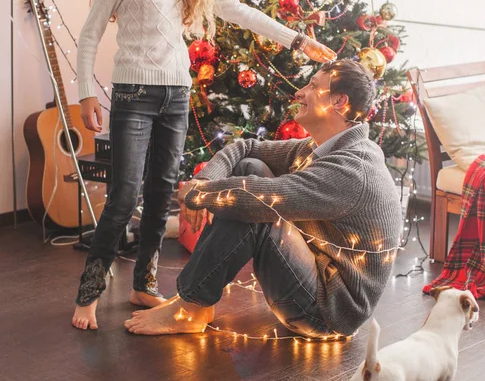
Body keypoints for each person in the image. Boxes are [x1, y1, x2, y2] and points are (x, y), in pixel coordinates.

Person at [71, 0, 336, 331]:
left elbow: (240, 12)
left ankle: (143, 282)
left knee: (161, 193)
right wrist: (83, 93)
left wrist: (296, 39)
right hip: (133, 96)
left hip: (175, 95)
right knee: (123, 196)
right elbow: (89, 35)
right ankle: (90, 292)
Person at [124, 59, 403, 338]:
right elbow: (247, 147)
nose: (299, 92)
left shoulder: (352, 171)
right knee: (251, 169)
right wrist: (202, 181)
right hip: (315, 274)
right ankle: (194, 305)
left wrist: (197, 195)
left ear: (339, 101)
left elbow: (261, 199)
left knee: (257, 203)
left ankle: (191, 307)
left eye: (313, 86)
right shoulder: (320, 148)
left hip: (326, 313)